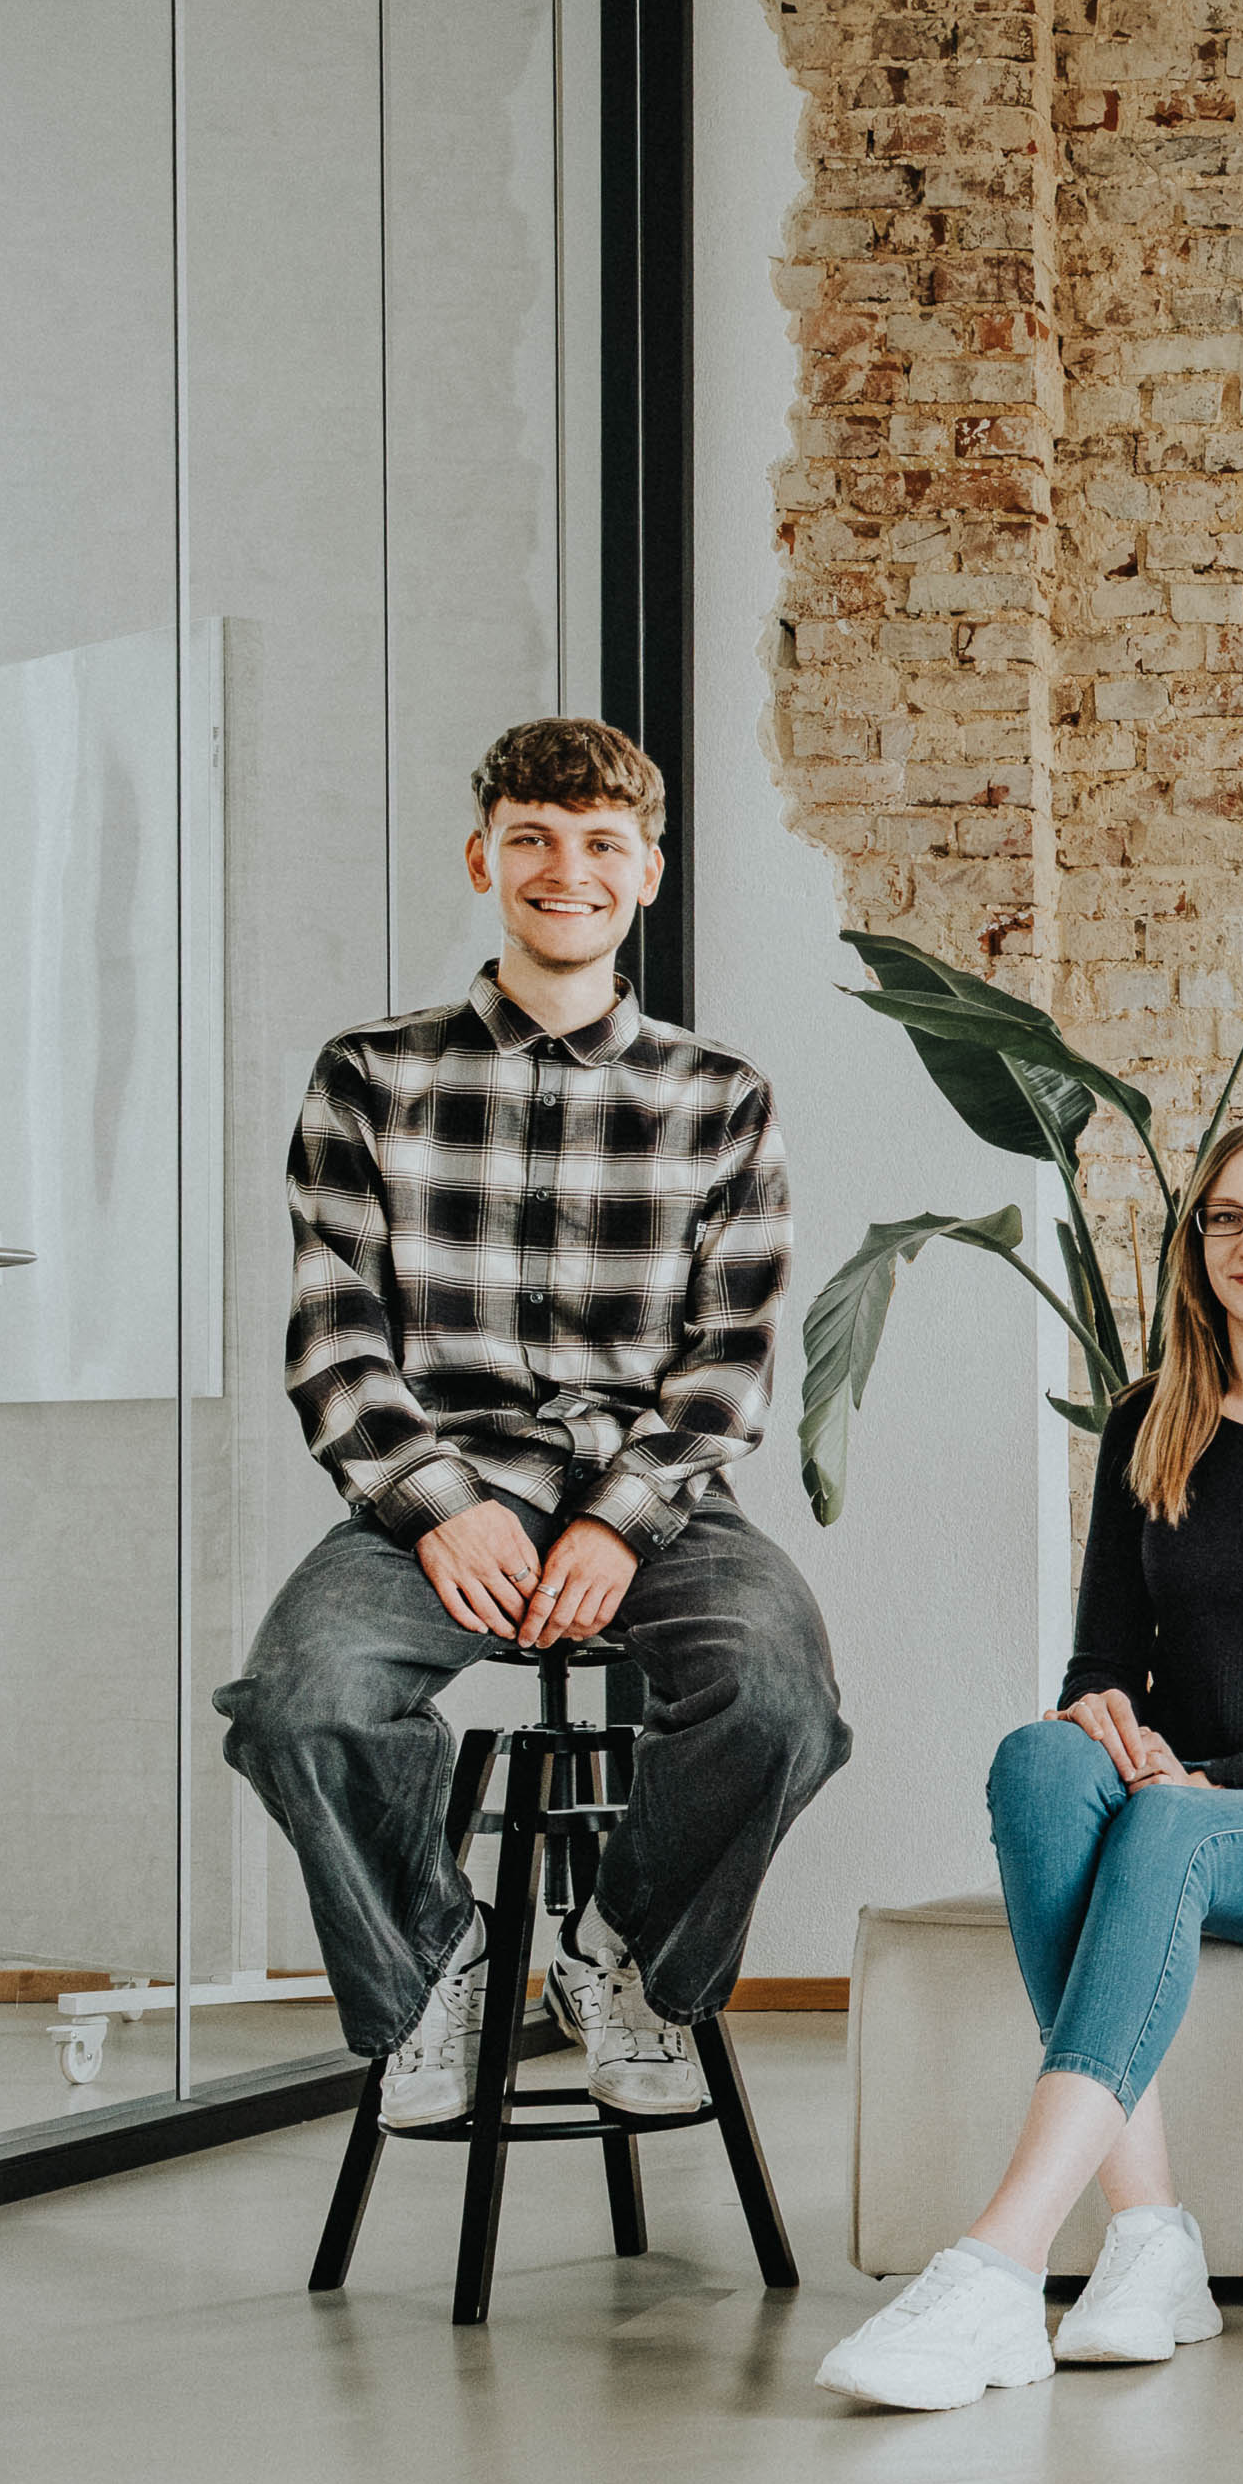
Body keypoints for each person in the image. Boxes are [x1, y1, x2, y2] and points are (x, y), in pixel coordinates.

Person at [215, 719, 846, 2139]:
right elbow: (334, 1333)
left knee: (777, 1700)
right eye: (534, 840)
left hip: (657, 1500)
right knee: (302, 1703)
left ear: (648, 871)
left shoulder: (721, 1097)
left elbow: (729, 1360)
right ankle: (438, 1965)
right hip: (437, 1488)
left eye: (602, 844)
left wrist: (620, 1524)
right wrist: (440, 1505)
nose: (569, 870)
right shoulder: (369, 1077)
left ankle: (619, 1955)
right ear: (483, 858)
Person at [815, 1119, 1243, 2412]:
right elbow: (1103, 1656)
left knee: (1164, 1824)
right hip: (1188, 1797)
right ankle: (1150, 2236)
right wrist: (1103, 1716)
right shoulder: (1146, 1421)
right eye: (1226, 1217)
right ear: (1197, 1248)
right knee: (1038, 1763)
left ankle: (1000, 2264)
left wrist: (1209, 1785)